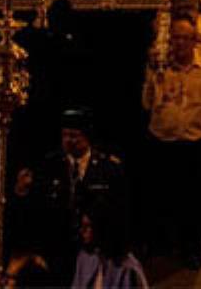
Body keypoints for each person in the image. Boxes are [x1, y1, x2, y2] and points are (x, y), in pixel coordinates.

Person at [140, 14, 201, 266]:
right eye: (176, 38)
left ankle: (192, 247)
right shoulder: (160, 67)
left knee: (193, 201)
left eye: (186, 38)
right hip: (162, 141)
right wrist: (152, 79)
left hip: (193, 142)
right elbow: (146, 104)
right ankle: (161, 244)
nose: (180, 44)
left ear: (194, 41)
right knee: (161, 196)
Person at [10, 108, 128, 284]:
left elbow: (119, 208)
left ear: (87, 136)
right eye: (65, 135)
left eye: (74, 136)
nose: (68, 141)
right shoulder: (50, 165)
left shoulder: (108, 167)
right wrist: (22, 191)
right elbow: (37, 208)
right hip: (58, 248)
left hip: (94, 250)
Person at [71, 204, 149, 289]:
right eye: (82, 226)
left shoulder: (128, 269)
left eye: (87, 226)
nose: (82, 230)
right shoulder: (84, 259)